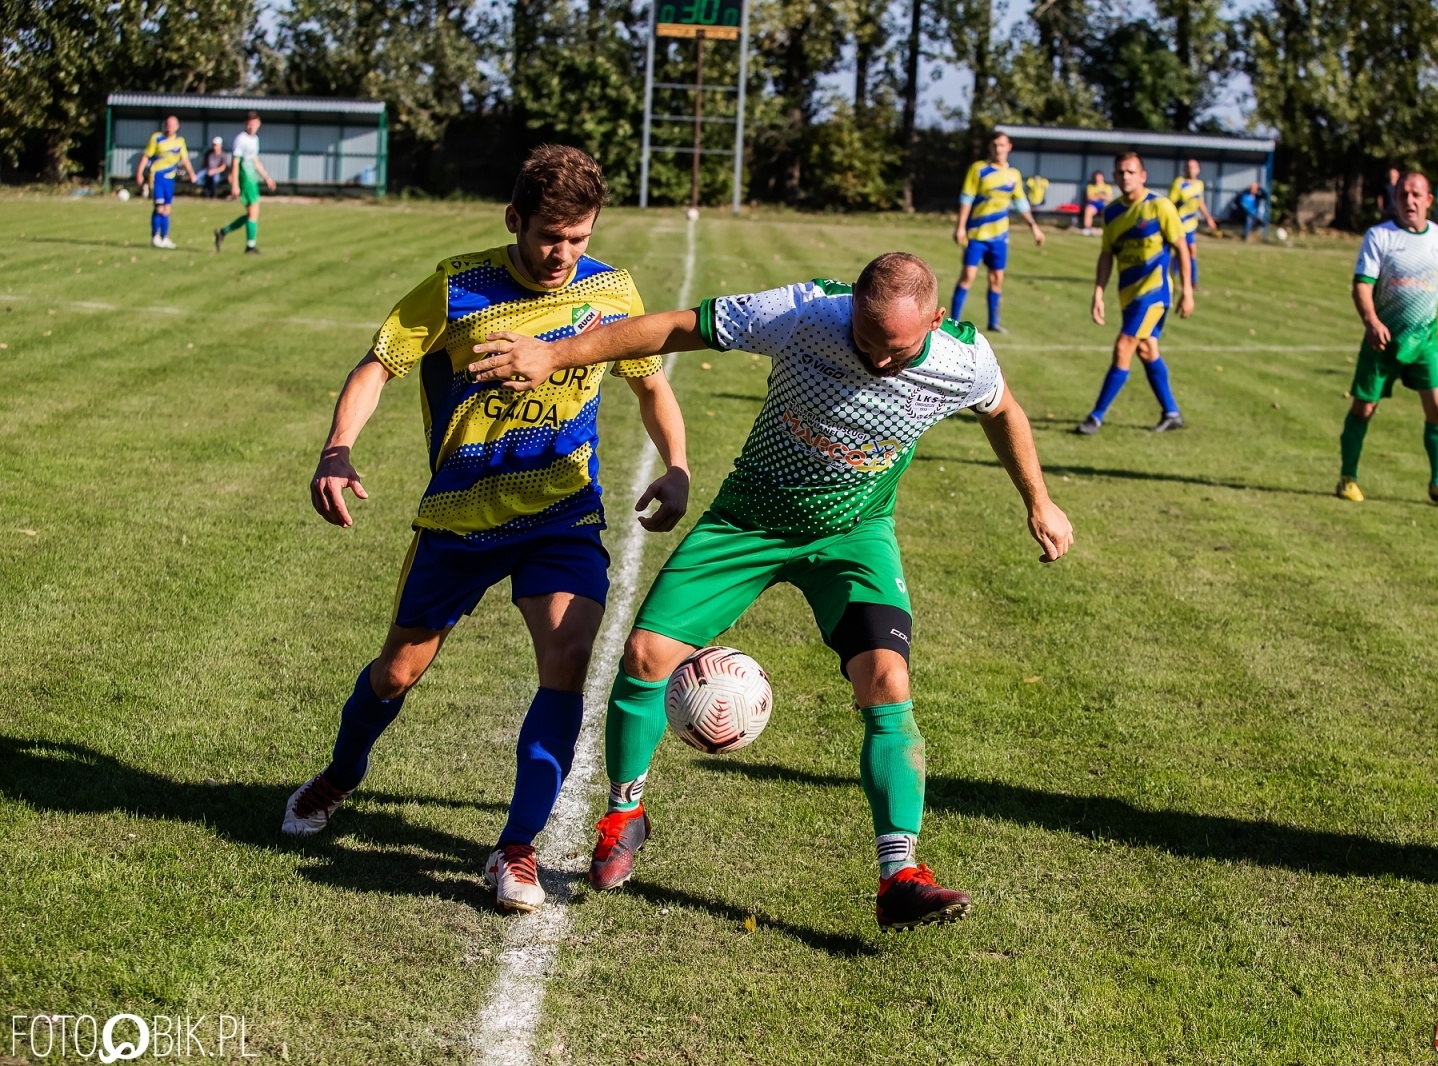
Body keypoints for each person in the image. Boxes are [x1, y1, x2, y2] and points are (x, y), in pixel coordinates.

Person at [467, 252, 1076, 931]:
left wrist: (1039, 502)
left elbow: (1004, 411)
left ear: (935, 320)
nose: (877, 361)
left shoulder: (963, 359)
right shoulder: (803, 314)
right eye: (866, 343)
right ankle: (624, 815)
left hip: (854, 535)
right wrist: (560, 354)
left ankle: (899, 874)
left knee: (888, 681)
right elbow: (673, 327)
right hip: (747, 523)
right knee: (644, 657)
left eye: (895, 351)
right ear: (850, 313)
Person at [281, 145, 692, 916]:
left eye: (577, 238)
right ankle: (339, 775)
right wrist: (337, 449)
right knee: (396, 672)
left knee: (567, 660)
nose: (561, 255)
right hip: (460, 519)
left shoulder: (610, 291)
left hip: (560, 514)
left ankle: (517, 847)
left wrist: (677, 463)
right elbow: (377, 365)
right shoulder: (457, 285)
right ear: (514, 221)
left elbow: (649, 382)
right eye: (547, 236)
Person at [1337, 170, 1438, 506]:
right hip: (1382, 341)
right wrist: (1371, 320)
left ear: (1429, 201)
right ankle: (1347, 477)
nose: (1409, 201)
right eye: (1403, 195)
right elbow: (1362, 285)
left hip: (1424, 341)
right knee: (1364, 407)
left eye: (1416, 195)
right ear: (1394, 200)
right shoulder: (1379, 237)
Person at [1076, 151, 1193, 435]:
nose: (1125, 176)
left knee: (1124, 345)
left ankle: (1095, 417)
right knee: (1146, 349)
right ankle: (1172, 412)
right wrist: (1098, 293)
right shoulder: (1112, 212)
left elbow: (1182, 248)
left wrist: (1187, 290)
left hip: (1155, 293)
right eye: (1120, 172)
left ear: (1143, 176)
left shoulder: (1160, 206)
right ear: (1115, 177)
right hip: (1127, 296)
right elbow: (1107, 255)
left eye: (1131, 171)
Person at [951, 131, 1046, 333]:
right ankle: (953, 322)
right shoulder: (979, 169)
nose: (998, 149)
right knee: (968, 276)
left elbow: (1021, 204)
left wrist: (1034, 228)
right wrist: (960, 226)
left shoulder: (1014, 175)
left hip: (1000, 238)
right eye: (995, 145)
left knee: (996, 279)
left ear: (1009, 147)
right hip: (976, 235)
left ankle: (993, 322)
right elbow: (966, 199)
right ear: (990, 147)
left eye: (1002, 145)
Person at [215, 112, 277, 254]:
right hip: (245, 178)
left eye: (254, 123)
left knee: (251, 214)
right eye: (250, 123)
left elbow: (255, 160)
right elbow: (235, 162)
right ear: (245, 124)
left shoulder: (255, 139)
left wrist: (266, 177)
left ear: (259, 124)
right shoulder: (241, 139)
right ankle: (250, 246)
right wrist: (235, 184)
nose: (252, 126)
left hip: (252, 178)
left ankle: (223, 232)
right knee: (253, 212)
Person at [133, 115, 196, 250]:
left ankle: (165, 237)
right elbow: (146, 157)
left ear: (177, 127)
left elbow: (185, 160)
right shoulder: (156, 138)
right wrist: (139, 173)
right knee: (159, 207)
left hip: (170, 178)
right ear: (164, 125)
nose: (170, 127)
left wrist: (191, 174)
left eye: (173, 125)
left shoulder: (180, 142)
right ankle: (155, 237)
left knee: (167, 209)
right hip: (157, 176)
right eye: (168, 124)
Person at [1168, 158, 1219, 288]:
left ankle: (1192, 281)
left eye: (1194, 167)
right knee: (1185, 250)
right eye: (1188, 167)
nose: (1191, 169)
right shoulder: (1179, 183)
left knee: (1190, 251)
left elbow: (1200, 202)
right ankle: (1173, 276)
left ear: (1198, 169)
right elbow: (1170, 203)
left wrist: (1208, 218)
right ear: (1184, 169)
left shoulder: (1199, 184)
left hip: (1191, 223)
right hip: (1179, 222)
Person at [1081, 170, 1115, 235]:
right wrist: (1101, 196)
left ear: (1103, 177)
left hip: (1104, 204)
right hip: (1094, 205)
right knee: (1088, 210)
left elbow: (1109, 198)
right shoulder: (1090, 187)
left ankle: (1107, 229)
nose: (1098, 178)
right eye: (1097, 177)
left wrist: (1096, 196)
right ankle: (1087, 228)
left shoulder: (1107, 187)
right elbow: (1089, 198)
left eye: (1100, 177)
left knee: (1107, 211)